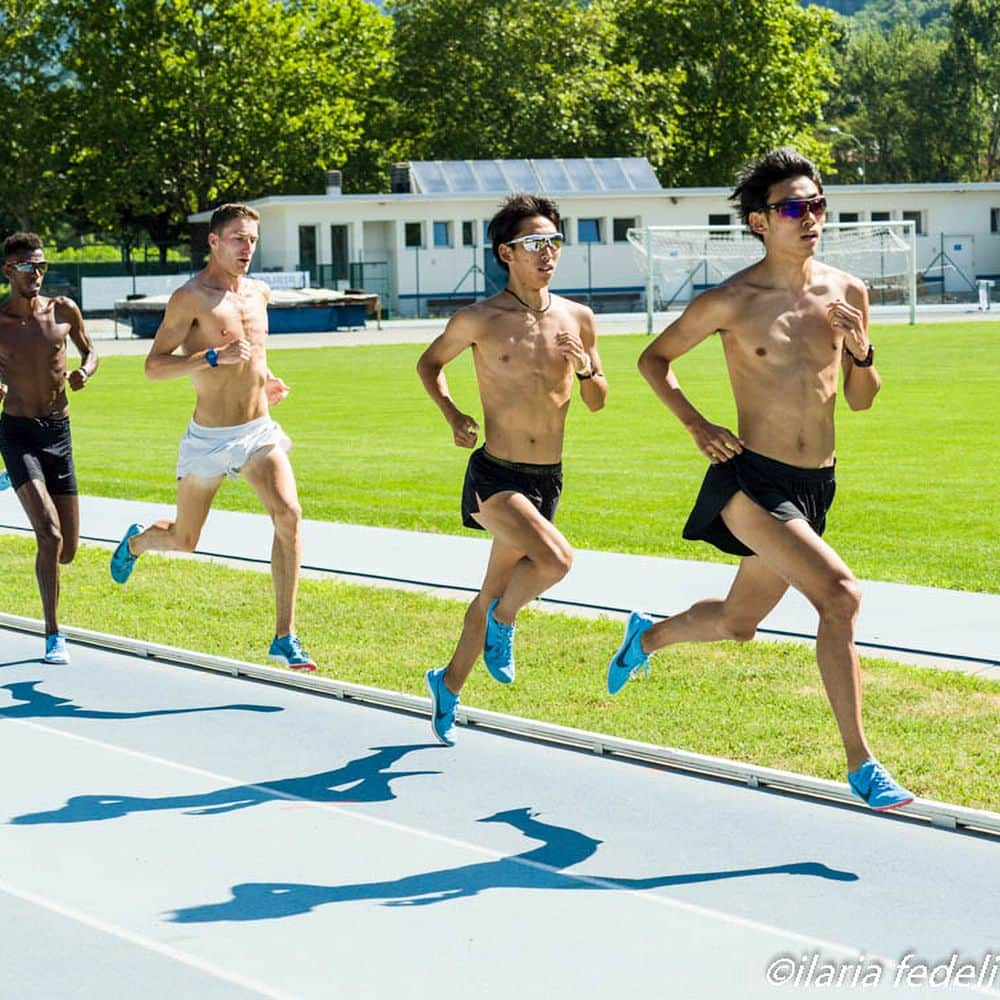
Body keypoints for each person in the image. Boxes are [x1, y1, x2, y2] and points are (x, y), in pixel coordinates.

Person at [608, 148, 913, 812]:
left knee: (740, 622)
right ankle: (862, 764)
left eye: (818, 204)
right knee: (840, 596)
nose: (811, 217)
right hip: (750, 481)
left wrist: (864, 353)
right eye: (794, 207)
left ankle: (647, 637)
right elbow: (653, 359)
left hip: (815, 486)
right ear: (758, 221)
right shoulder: (731, 301)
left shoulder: (847, 292)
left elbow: (861, 399)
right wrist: (695, 424)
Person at [417, 194, 608, 746]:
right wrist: (453, 413)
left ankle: (447, 684)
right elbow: (429, 364)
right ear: (506, 252)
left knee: (492, 589)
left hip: (547, 479)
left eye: (553, 241)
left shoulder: (578, 319)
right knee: (556, 560)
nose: (547, 252)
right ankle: (506, 623)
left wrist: (587, 367)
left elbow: (596, 402)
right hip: (496, 477)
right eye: (533, 243)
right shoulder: (480, 319)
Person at [109, 204, 315, 670]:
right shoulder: (191, 298)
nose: (248, 249)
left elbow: (254, 356)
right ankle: (137, 543)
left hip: (257, 432)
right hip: (207, 439)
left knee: (289, 515)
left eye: (254, 241)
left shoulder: (259, 293)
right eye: (239, 239)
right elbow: (154, 366)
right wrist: (209, 359)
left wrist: (267, 382)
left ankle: (285, 635)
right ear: (214, 242)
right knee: (185, 540)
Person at [0, 232, 98, 663]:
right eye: (26, 266)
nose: (36, 273)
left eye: (41, 266)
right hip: (17, 432)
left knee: (69, 551)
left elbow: (91, 351)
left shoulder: (63, 310)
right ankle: (54, 634)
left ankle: (16, 481)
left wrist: (85, 372)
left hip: (58, 433)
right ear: (8, 271)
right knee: (49, 534)